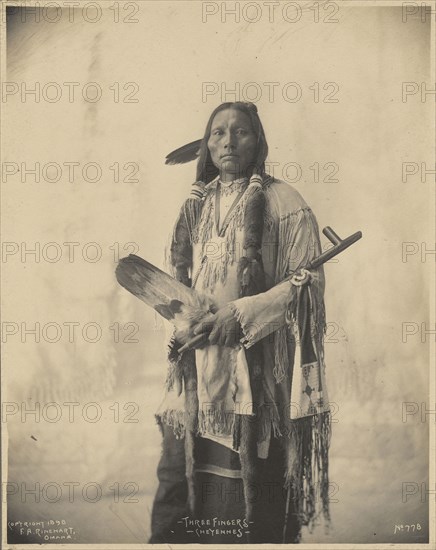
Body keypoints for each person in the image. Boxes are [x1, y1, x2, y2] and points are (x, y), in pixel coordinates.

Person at [150, 102, 331, 544]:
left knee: (255, 489)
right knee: (180, 476)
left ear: (258, 140)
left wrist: (243, 314)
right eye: (217, 133)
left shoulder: (284, 201)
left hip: (257, 371)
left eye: (240, 131)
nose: (228, 141)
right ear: (207, 144)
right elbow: (174, 283)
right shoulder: (194, 205)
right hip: (196, 370)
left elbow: (308, 283)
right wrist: (182, 326)